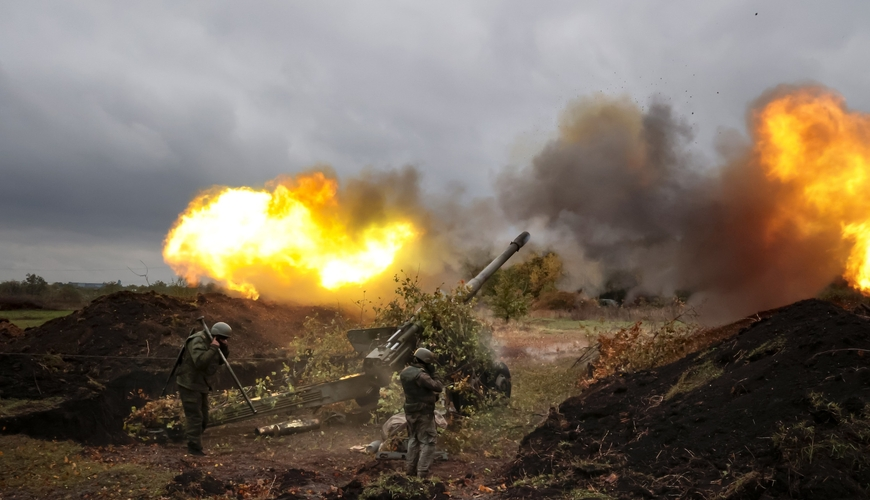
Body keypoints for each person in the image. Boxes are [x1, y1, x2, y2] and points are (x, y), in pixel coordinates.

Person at [176, 321, 231, 456]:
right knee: (195, 417)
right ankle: (194, 449)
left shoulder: (214, 341)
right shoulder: (198, 340)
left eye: (226, 338)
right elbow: (200, 362)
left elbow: (219, 361)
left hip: (202, 384)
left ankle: (193, 439)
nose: (224, 340)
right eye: (222, 338)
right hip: (189, 383)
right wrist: (213, 348)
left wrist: (223, 348)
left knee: (204, 418)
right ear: (215, 335)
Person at [399, 347, 444, 478]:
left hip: (410, 411)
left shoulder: (405, 372)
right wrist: (434, 374)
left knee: (413, 440)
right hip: (423, 412)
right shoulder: (421, 375)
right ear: (425, 361)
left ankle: (410, 471)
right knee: (428, 441)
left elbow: (419, 391)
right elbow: (438, 387)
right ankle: (422, 474)